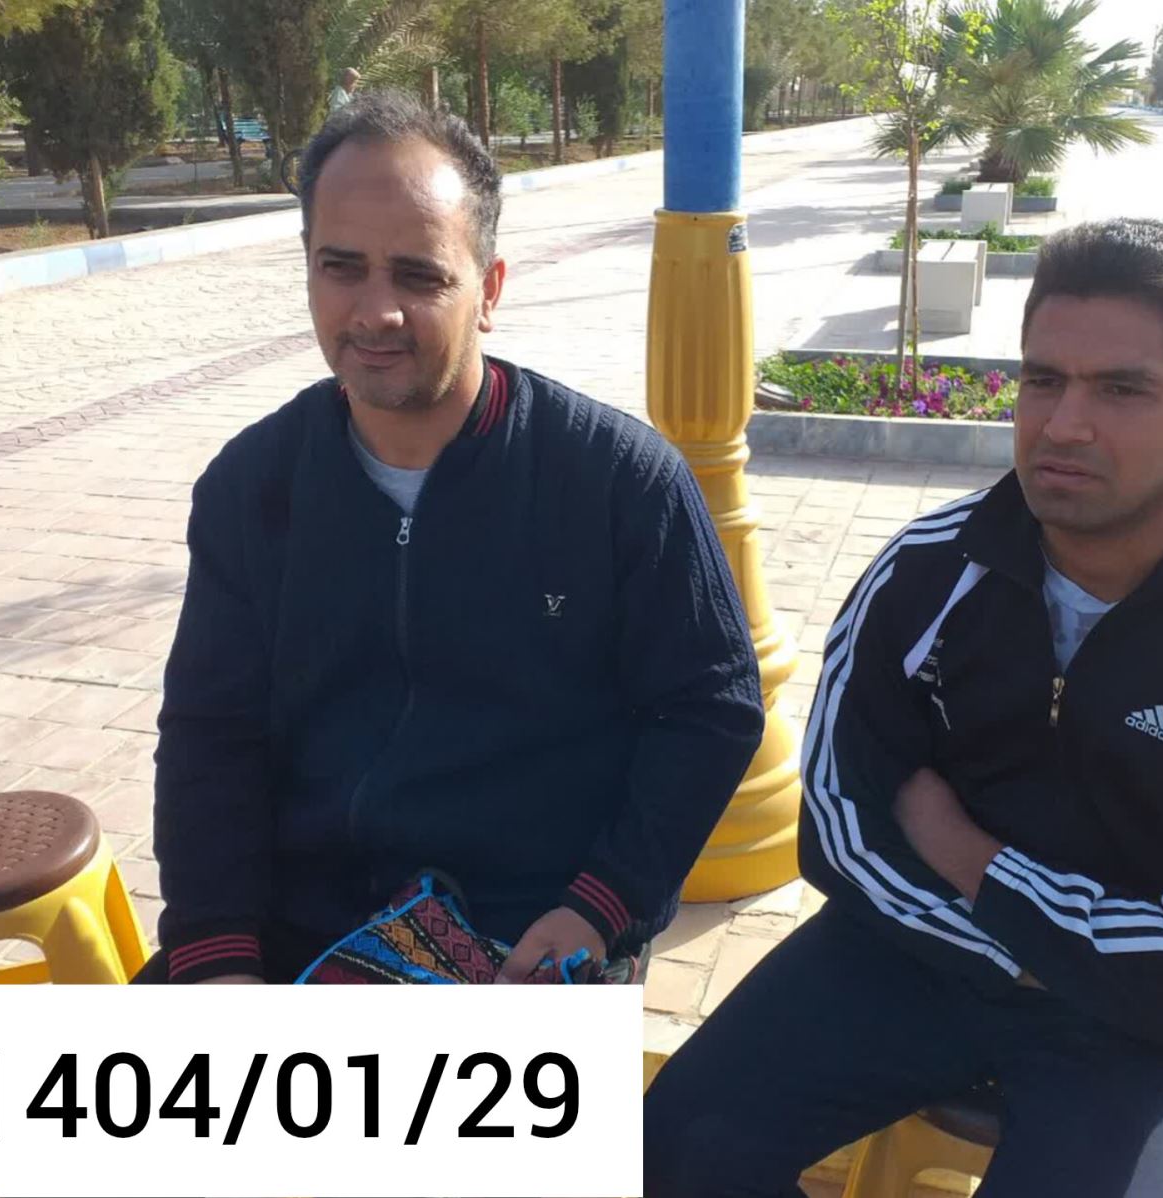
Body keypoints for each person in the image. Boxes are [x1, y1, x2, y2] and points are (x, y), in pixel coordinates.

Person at [642, 218, 1163, 1197]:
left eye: (1121, 389)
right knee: (674, 1146)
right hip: (910, 958)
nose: (1064, 424)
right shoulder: (924, 574)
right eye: (1043, 380)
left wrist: (967, 854)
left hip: (1142, 1034)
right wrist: (1041, 948)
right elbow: (840, 836)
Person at [142, 91, 764, 985]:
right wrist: (216, 952)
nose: (375, 312)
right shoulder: (253, 487)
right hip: (295, 924)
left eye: (418, 276)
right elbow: (211, 734)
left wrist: (604, 902)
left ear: (489, 289)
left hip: (525, 932)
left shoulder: (619, 483)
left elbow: (712, 706)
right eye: (341, 268)